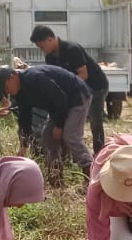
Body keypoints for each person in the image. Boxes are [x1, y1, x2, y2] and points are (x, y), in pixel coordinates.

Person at [0, 63, 94, 178]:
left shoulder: (35, 78)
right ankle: (55, 175)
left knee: (70, 135)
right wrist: (24, 144)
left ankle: (91, 172)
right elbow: (25, 117)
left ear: (13, 77)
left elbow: (60, 98)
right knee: (47, 136)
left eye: (6, 88)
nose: (7, 92)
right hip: (59, 105)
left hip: (77, 96)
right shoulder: (20, 92)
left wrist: (59, 126)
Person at [31, 25, 110, 153]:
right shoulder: (50, 57)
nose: (42, 50)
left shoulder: (72, 49)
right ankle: (67, 155)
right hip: (75, 90)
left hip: (95, 87)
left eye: (42, 47)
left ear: (50, 39)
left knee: (95, 122)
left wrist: (65, 92)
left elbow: (83, 75)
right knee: (66, 122)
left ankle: (99, 154)